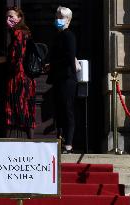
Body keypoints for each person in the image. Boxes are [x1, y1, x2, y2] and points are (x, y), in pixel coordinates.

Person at [46, 6, 77, 153]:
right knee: (59, 111)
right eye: (57, 16)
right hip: (59, 79)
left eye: (62, 17)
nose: (58, 20)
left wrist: (52, 64)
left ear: (68, 20)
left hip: (67, 78)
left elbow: (69, 58)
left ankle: (68, 144)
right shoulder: (57, 36)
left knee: (67, 110)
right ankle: (60, 140)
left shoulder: (68, 35)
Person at [4, 7, 36, 138]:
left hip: (19, 78)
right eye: (7, 17)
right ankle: (30, 142)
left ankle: (8, 146)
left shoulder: (18, 33)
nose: (8, 20)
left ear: (19, 18)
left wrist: (6, 61)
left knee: (16, 110)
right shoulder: (24, 32)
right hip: (25, 78)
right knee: (26, 110)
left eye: (11, 16)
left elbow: (17, 57)